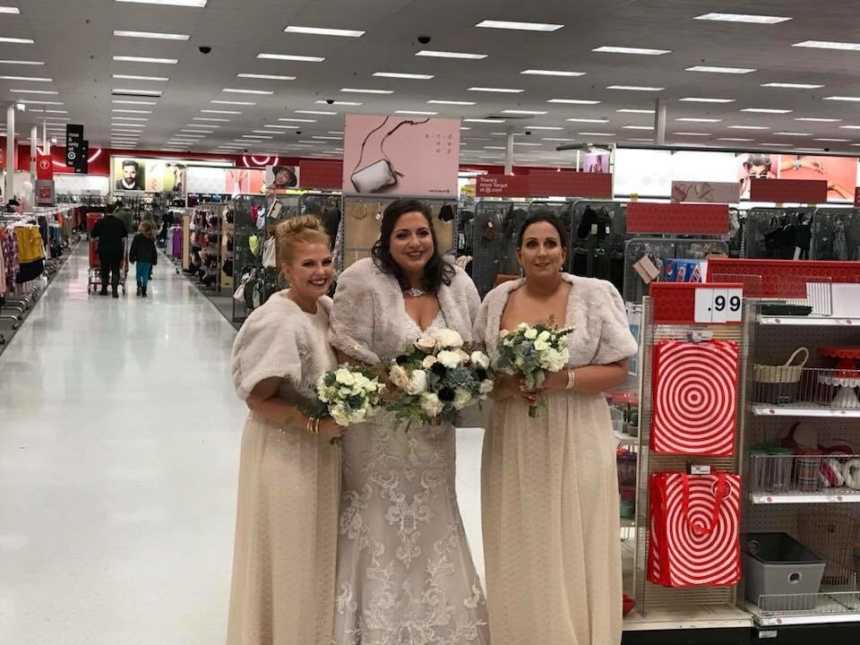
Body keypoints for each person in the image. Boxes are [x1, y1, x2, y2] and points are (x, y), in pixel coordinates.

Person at [473, 210, 638, 645]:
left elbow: (619, 368)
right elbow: (480, 371)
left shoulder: (596, 294)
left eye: (550, 243)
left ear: (564, 250)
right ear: (519, 253)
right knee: (521, 535)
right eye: (532, 244)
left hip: (578, 430)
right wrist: (506, 385)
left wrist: (560, 379)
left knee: (575, 534)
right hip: (514, 434)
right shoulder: (496, 301)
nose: (541, 252)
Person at [329, 198, 489, 644]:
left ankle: (438, 621)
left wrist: (452, 383)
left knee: (434, 516)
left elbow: (475, 348)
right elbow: (344, 348)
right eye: (403, 234)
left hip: (432, 433)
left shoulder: (456, 282)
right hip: (376, 432)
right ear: (386, 241)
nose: (414, 242)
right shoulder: (360, 280)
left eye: (421, 233)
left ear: (434, 238)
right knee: (377, 521)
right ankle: (372, 624)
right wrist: (394, 385)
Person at [226, 216, 343, 645]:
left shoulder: (326, 310)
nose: (321, 272)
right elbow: (258, 398)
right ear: (287, 270)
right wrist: (314, 423)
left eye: (327, 261)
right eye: (309, 264)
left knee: (313, 552)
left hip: (320, 450)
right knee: (288, 553)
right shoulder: (278, 320)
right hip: (284, 452)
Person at [91, 206, 129, 298]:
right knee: (115, 269)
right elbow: (125, 234)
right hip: (117, 249)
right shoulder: (119, 222)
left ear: (106, 211)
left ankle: (104, 289)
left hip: (104, 250)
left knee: (105, 269)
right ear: (114, 211)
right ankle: (115, 291)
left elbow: (93, 234)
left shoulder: (100, 222)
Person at [128, 220, 158, 297]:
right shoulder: (151, 238)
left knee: (138, 273)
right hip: (148, 260)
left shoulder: (137, 237)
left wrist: (131, 257)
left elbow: (133, 248)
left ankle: (139, 287)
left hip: (140, 259)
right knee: (145, 274)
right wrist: (154, 259)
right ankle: (144, 290)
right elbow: (153, 250)